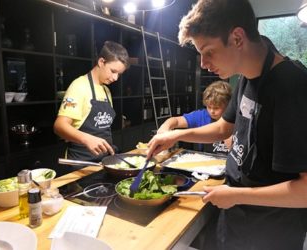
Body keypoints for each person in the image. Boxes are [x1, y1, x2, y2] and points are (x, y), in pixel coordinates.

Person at [147, 0, 307, 249]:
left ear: (237, 38)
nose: (203, 63)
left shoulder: (292, 87)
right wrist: (175, 135)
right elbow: (224, 127)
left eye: (208, 51)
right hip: (236, 214)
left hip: (270, 231)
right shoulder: (247, 76)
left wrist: (237, 195)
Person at [54, 41, 130, 162]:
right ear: (101, 62)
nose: (115, 78)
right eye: (113, 71)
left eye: (119, 74)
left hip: (104, 160)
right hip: (82, 163)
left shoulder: (106, 90)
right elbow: (59, 126)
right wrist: (86, 139)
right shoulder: (79, 86)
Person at [157, 80, 232, 154]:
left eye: (216, 108)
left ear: (228, 106)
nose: (212, 111)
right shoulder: (201, 116)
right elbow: (176, 120)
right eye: (209, 107)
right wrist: (165, 126)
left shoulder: (236, 119)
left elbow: (232, 146)